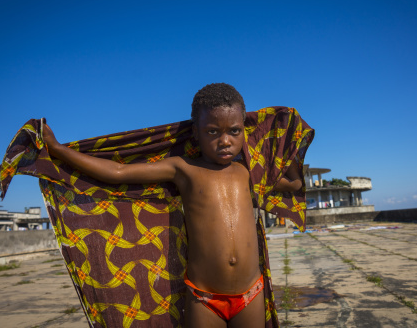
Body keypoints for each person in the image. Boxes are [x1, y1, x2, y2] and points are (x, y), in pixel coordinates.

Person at [41, 83, 302, 328]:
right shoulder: (183, 168)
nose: (225, 141)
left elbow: (294, 184)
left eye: (234, 131)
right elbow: (118, 172)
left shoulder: (248, 172)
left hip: (251, 293)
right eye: (213, 131)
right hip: (204, 298)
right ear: (196, 133)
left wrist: (283, 135)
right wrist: (57, 150)